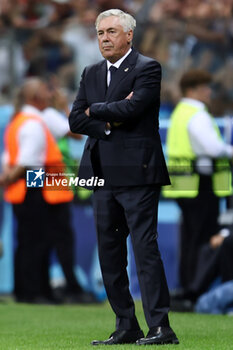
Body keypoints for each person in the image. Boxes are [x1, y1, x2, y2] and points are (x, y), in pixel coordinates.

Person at [69, 9, 179, 346]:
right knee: (110, 253)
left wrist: (96, 110)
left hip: (138, 174)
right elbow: (75, 120)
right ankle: (126, 325)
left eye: (112, 32)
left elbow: (134, 110)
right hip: (102, 173)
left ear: (129, 35)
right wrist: (106, 118)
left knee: (145, 249)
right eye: (100, 32)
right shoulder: (89, 72)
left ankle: (161, 326)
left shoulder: (147, 68)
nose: (104, 38)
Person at [164, 69, 233, 295]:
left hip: (183, 185)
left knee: (190, 238)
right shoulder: (198, 114)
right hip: (200, 184)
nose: (209, 92)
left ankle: (188, 287)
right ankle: (196, 289)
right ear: (192, 90)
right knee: (202, 239)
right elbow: (212, 148)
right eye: (205, 87)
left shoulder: (180, 112)